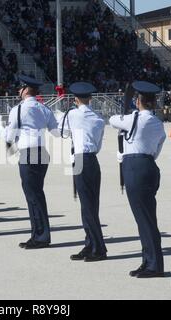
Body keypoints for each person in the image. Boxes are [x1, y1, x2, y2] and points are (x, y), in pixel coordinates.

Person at [0, 75, 59, 249]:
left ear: (25, 90)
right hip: (42, 152)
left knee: (33, 196)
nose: (18, 91)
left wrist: (1, 128)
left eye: (20, 88)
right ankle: (37, 234)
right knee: (36, 194)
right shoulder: (44, 108)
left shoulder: (18, 109)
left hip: (29, 154)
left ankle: (41, 236)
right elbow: (56, 132)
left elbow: (10, 135)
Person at [109, 81, 166, 278]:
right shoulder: (158, 123)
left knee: (145, 219)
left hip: (135, 167)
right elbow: (157, 149)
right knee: (145, 218)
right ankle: (148, 260)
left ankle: (154, 265)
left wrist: (127, 113)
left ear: (138, 101)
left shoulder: (133, 118)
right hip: (149, 165)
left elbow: (112, 120)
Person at [58, 82, 107, 262]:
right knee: (90, 204)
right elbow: (99, 144)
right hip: (92, 159)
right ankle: (90, 244)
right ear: (91, 98)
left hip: (80, 159)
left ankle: (99, 248)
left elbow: (61, 131)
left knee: (87, 206)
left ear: (75, 99)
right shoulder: (99, 118)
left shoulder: (72, 114)